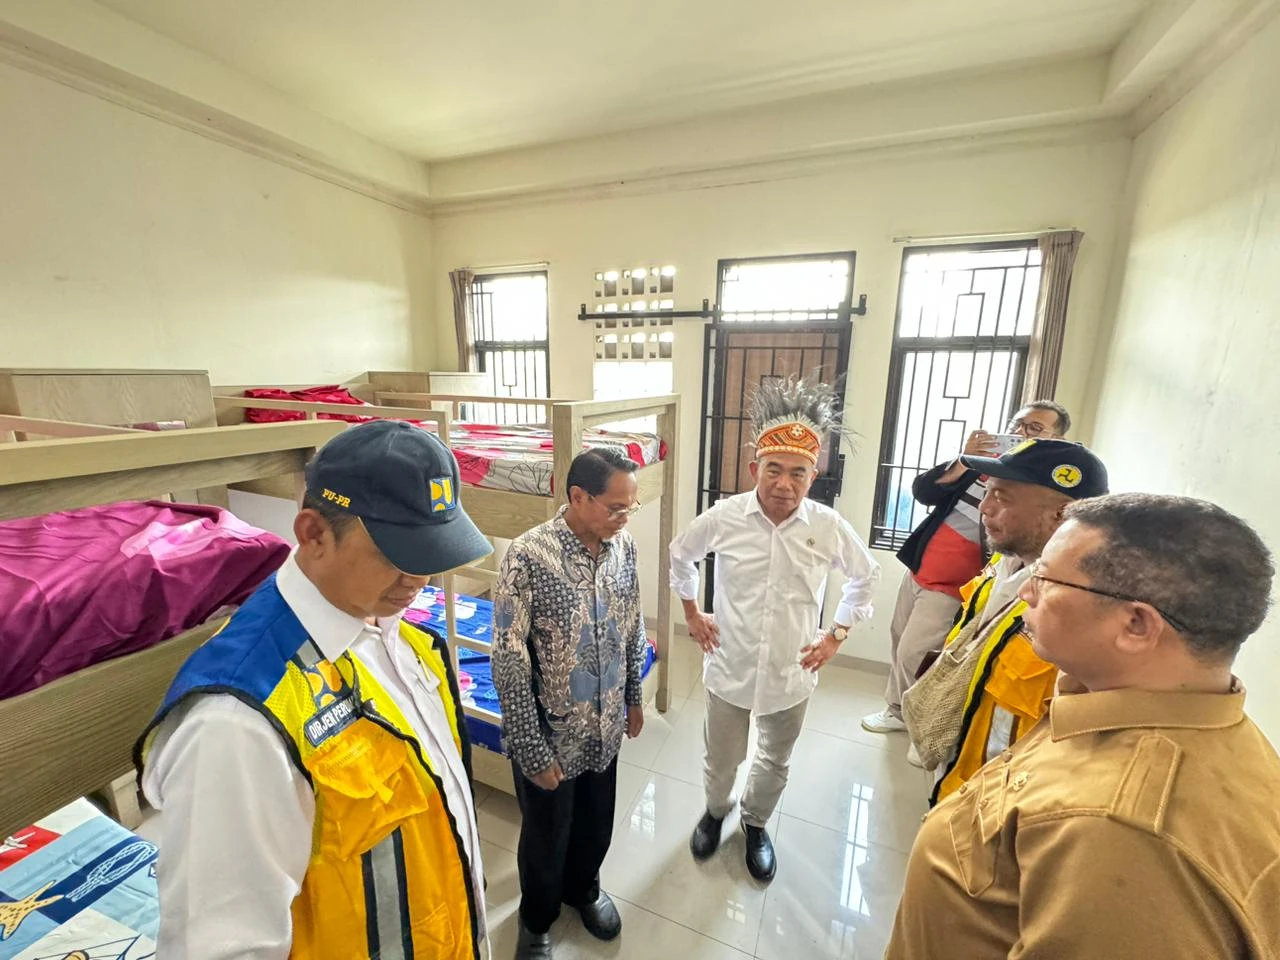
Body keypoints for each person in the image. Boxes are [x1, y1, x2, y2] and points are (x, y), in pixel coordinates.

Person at [136, 420, 493, 959]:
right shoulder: (236, 725)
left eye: (430, 554)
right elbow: (221, 947)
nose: (418, 579)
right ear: (314, 534)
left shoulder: (400, 636)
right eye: (396, 554)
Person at [887, 493, 1280, 958]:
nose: (1026, 593)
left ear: (1136, 625)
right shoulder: (1125, 707)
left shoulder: (1123, 836)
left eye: (1045, 579)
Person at [669, 375, 879, 882]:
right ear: (754, 469)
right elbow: (681, 555)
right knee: (722, 757)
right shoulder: (725, 517)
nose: (784, 484)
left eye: (798, 473)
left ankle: (756, 823)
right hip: (731, 661)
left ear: (814, 475)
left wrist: (837, 635)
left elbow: (866, 576)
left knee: (775, 758)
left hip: (792, 667)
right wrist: (692, 613)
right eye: (774, 470)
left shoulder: (827, 526)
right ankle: (715, 812)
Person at [492, 448, 647, 960]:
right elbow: (508, 657)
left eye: (631, 507)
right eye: (616, 508)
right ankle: (536, 919)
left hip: (605, 726)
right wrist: (531, 748)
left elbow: (632, 623)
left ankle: (584, 890)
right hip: (551, 734)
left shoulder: (624, 547)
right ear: (578, 496)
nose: (625, 518)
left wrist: (633, 696)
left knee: (597, 820)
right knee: (546, 833)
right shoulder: (528, 555)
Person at [902, 437, 1107, 805]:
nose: (984, 507)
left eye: (1002, 497)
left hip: (997, 807)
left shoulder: (1080, 616)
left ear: (1061, 514)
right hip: (957, 779)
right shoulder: (1004, 562)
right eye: (987, 492)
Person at [862, 401, 1070, 747]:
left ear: (1057, 439)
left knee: (916, 653)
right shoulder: (983, 465)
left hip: (954, 586)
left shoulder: (1040, 488)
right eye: (1018, 424)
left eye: (1035, 428)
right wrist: (963, 458)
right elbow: (924, 491)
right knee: (899, 640)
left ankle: (922, 725)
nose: (1021, 432)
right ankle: (898, 711)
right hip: (921, 568)